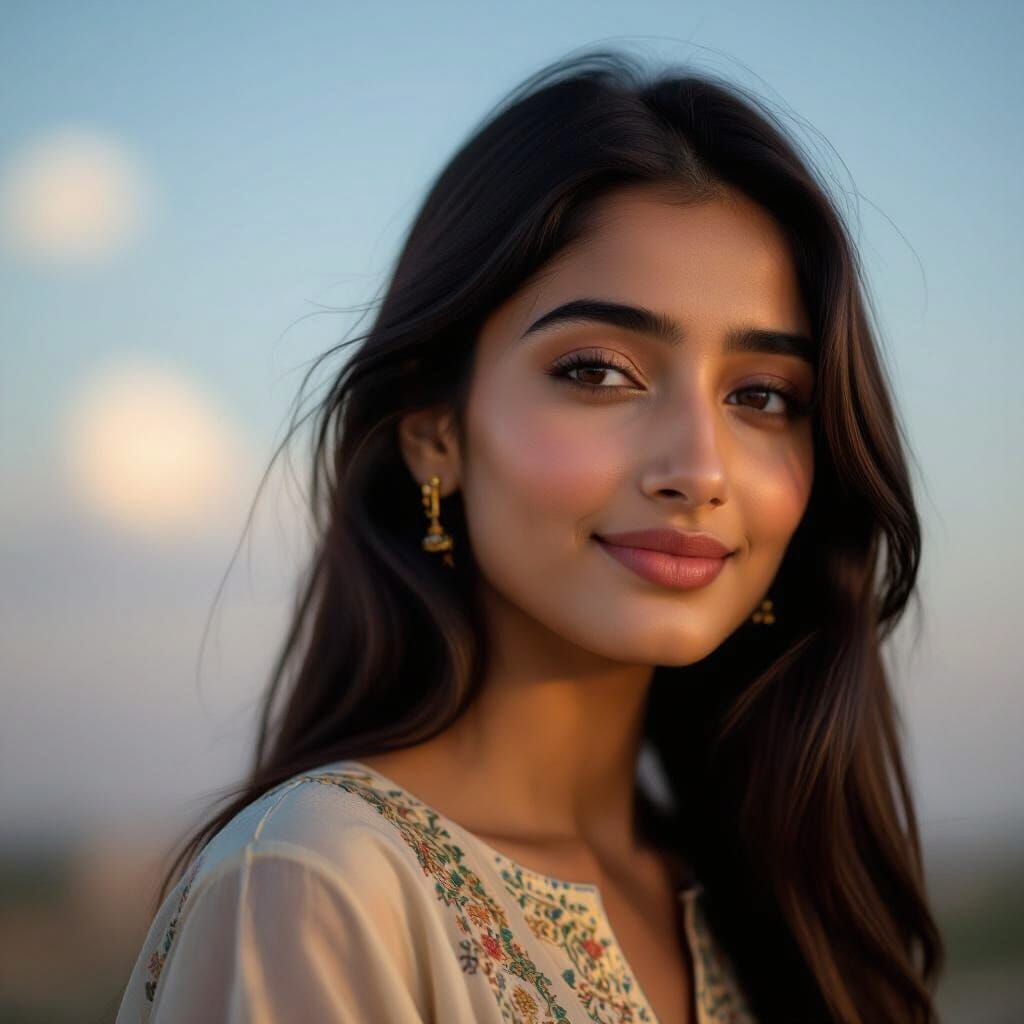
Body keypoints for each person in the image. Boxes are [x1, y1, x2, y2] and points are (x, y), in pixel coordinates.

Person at [115, 49, 944, 1024]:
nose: (700, 468)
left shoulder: (773, 905)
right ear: (436, 431)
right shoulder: (318, 883)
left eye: (760, 395)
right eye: (597, 372)